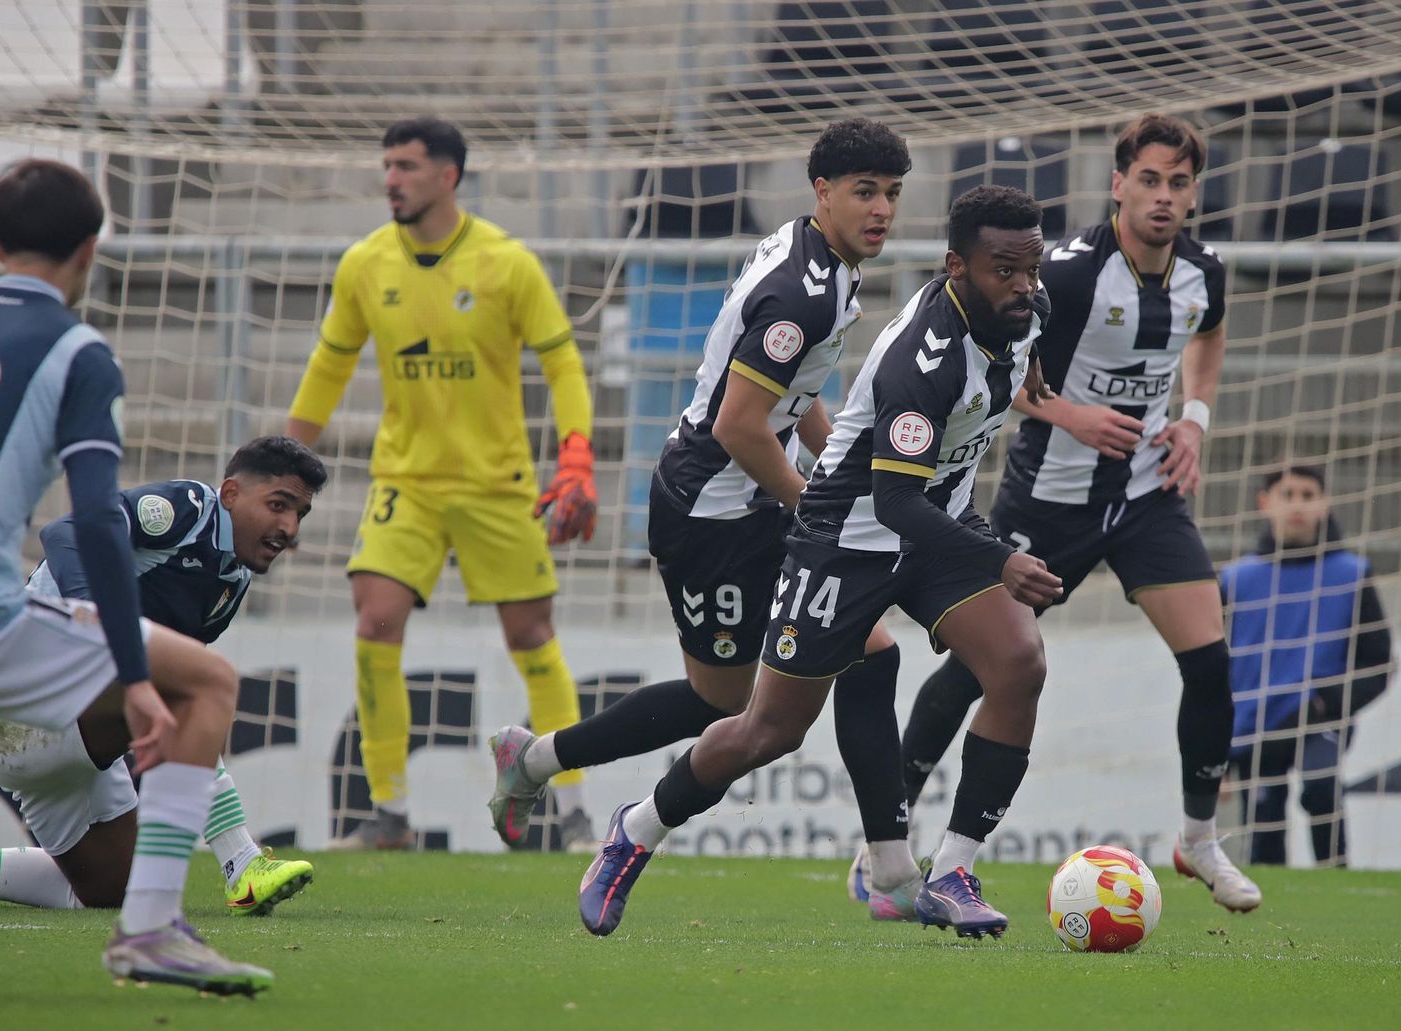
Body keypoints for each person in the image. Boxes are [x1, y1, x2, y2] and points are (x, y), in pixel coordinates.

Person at [0, 160, 269, 994]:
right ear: (91, 250)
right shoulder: (77, 352)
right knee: (206, 681)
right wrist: (134, 675)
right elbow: (95, 521)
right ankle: (154, 933)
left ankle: (8, 882)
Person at [579, 185, 1064, 939]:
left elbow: (1034, 327)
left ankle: (952, 872)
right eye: (1005, 272)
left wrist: (1030, 369)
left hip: (937, 524)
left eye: (1031, 269)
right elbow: (895, 504)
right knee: (766, 730)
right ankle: (636, 829)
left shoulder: (1026, 307)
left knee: (1019, 664)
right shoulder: (922, 360)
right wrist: (1001, 562)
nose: (1023, 286)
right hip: (849, 537)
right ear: (955, 267)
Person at [489, 117, 926, 910]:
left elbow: (795, 393)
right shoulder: (803, 292)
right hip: (709, 515)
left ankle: (889, 866)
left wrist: (831, 476)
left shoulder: (821, 261)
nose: (882, 210)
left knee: (870, 653)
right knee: (722, 702)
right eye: (865, 192)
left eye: (893, 194)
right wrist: (817, 509)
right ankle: (543, 763)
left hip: (754, 499)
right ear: (822, 191)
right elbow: (738, 425)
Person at [898, 113, 1263, 912]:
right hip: (1050, 499)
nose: (1163, 196)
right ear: (1118, 184)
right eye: (1149, 179)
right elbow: (999, 366)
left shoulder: (1204, 271)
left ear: (1193, 194)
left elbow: (1209, 336)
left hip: (1146, 497)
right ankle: (887, 835)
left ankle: (1199, 840)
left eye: (1178, 183)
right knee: (978, 669)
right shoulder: (1066, 274)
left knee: (1209, 661)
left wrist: (1194, 420)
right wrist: (1070, 414)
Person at [284, 117, 599, 851]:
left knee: (532, 636)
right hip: (407, 481)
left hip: (497, 483)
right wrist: (280, 466)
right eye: (387, 165)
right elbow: (328, 368)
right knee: (375, 619)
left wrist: (577, 460)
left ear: (448, 175)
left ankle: (575, 812)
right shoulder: (365, 264)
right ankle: (389, 813)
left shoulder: (507, 263)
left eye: (406, 166)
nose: (390, 179)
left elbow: (563, 363)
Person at [0, 436, 327, 915]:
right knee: (191, 689)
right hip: (21, 703)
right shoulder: (190, 510)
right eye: (278, 505)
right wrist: (94, 629)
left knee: (109, 890)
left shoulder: (232, 580)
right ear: (231, 493)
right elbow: (67, 532)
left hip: (69, 738)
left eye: (299, 514)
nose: (288, 527)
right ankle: (242, 864)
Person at [1223, 464, 1394, 866]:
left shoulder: (1351, 574)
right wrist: (1219, 748)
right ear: (1265, 503)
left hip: (1319, 717)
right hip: (1254, 723)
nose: (1297, 504)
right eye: (1287, 494)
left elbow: (1379, 661)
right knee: (1263, 830)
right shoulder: (1235, 579)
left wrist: (1327, 702)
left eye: (1308, 494)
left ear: (1324, 504)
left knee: (1322, 792)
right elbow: (1213, 666)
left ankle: (1337, 879)